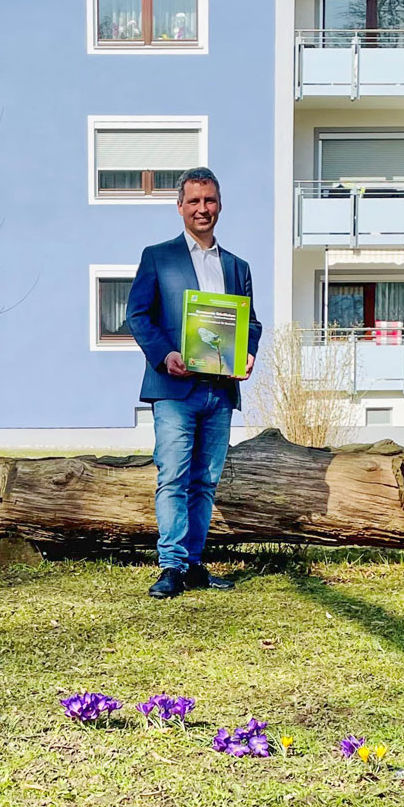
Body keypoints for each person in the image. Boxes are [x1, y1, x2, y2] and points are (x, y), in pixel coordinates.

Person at [125, 167, 263, 599]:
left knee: (206, 480)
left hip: (219, 392)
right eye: (194, 201)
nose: (203, 208)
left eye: (210, 200)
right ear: (180, 207)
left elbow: (251, 322)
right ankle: (170, 566)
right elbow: (137, 316)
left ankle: (195, 563)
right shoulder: (158, 257)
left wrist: (249, 350)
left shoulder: (238, 267)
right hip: (174, 389)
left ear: (219, 204)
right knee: (174, 476)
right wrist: (165, 354)